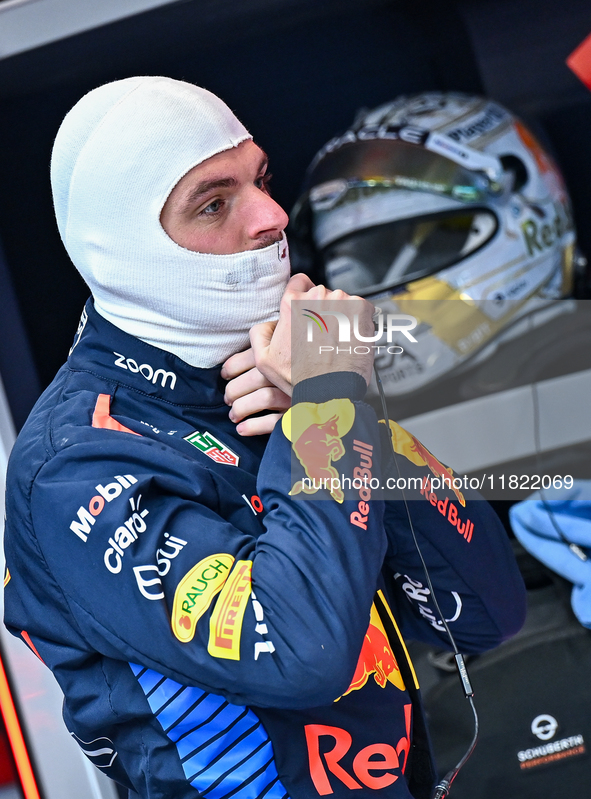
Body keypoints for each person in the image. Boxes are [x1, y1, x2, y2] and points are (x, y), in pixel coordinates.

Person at [3, 77, 526, 799]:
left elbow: (486, 615)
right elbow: (296, 650)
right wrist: (329, 405)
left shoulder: (284, 375)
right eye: (214, 203)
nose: (272, 216)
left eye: (262, 179)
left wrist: (345, 415)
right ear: (119, 244)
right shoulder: (78, 460)